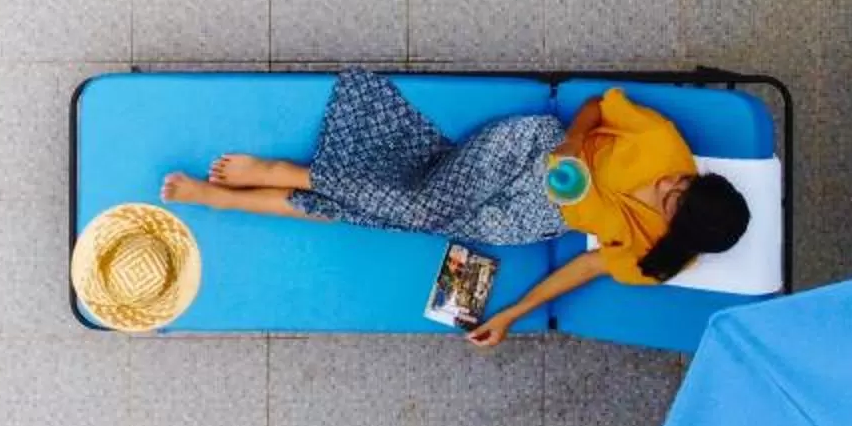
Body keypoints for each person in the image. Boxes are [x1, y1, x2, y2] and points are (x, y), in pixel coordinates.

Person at [162, 71, 750, 345]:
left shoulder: (657, 258)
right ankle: (289, 173)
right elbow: (598, 104)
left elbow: (587, 266)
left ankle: (218, 196)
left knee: (385, 215)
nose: (671, 180)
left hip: (538, 218)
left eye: (672, 198)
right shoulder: (664, 144)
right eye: (681, 182)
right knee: (417, 208)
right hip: (538, 151)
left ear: (677, 229)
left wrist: (511, 314)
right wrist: (572, 141)